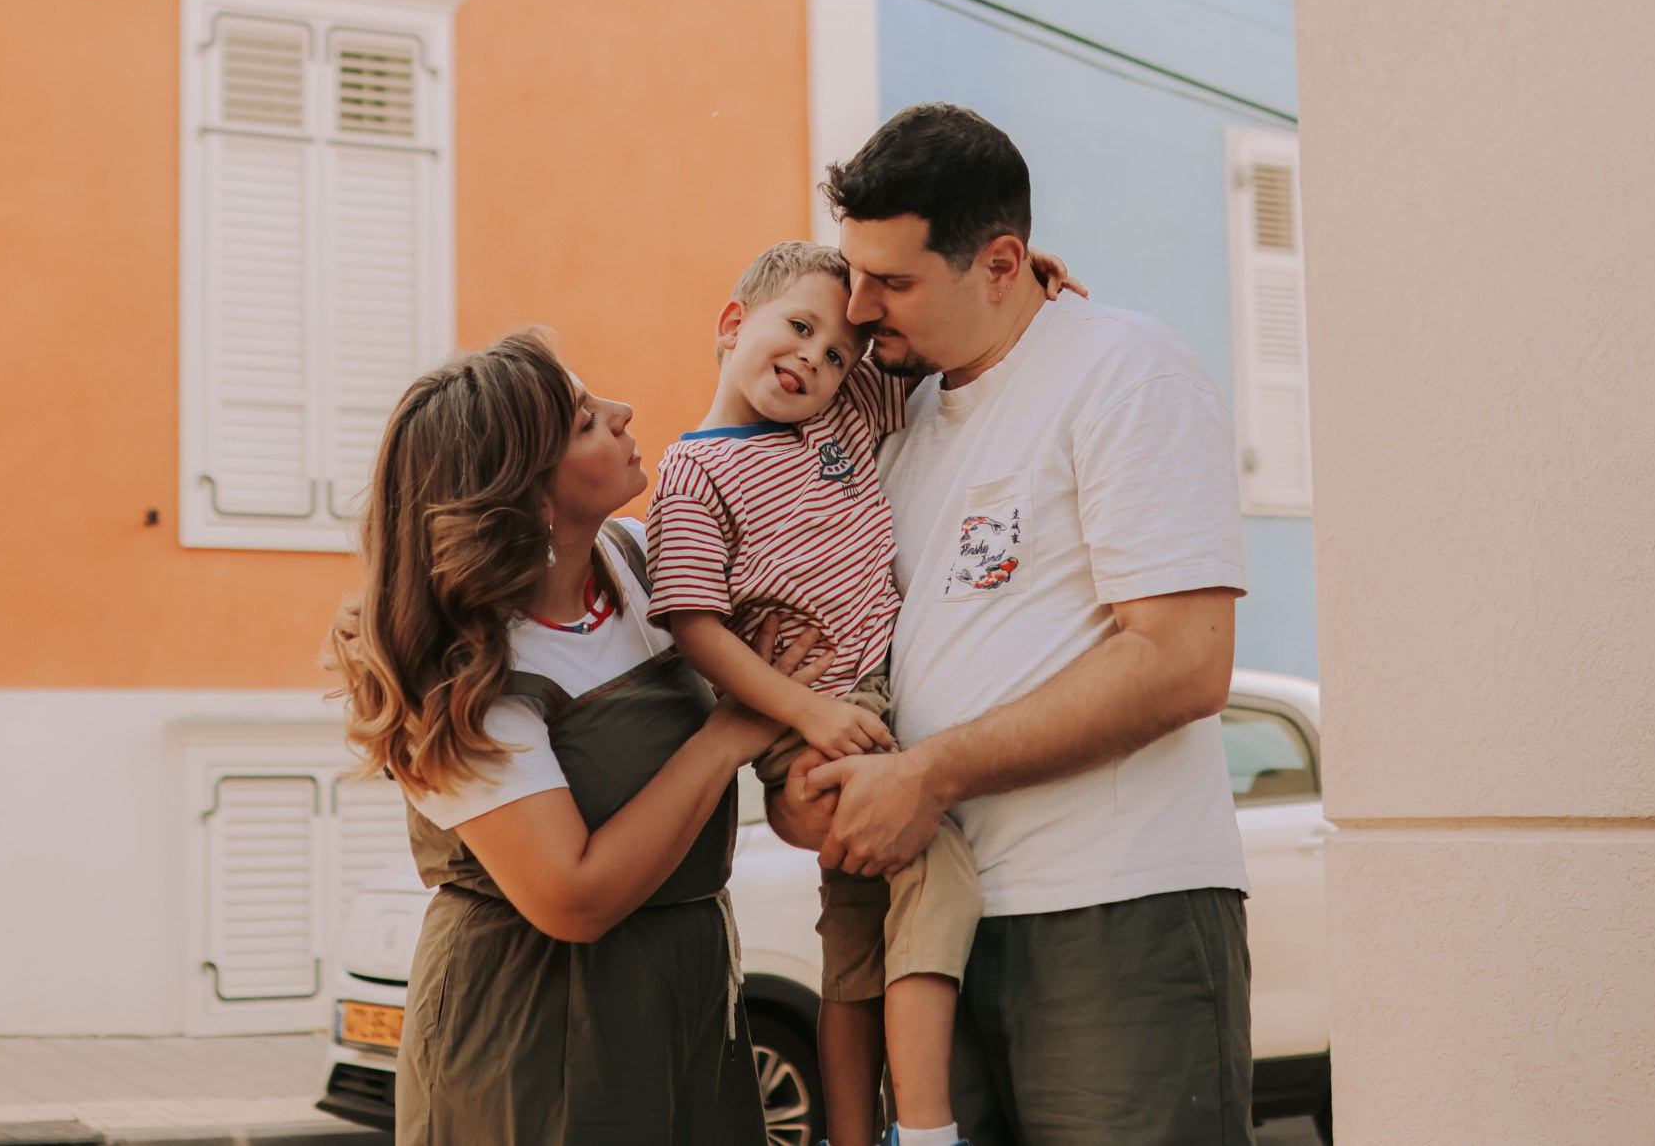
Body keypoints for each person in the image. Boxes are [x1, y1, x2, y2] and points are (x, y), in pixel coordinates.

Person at [773, 103, 1255, 1146]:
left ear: (1001, 265)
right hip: (929, 927)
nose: (857, 308)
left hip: (1115, 911)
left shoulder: (1127, 372)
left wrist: (928, 775)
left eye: (891, 283)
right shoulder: (886, 420)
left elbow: (1180, 661)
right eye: (854, 273)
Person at [325, 329, 818, 1146]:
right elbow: (573, 896)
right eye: (587, 421)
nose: (624, 414)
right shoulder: (462, 669)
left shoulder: (636, 564)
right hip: (535, 1032)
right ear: (532, 499)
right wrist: (729, 735)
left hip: (688, 1001)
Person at [648, 241, 1083, 1146]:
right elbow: (692, 623)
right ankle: (924, 1130)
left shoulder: (843, 420)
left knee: (852, 947)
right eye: (799, 329)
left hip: (870, 705)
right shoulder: (691, 472)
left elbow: (931, 345)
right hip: (805, 719)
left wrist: (1013, 277)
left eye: (839, 351)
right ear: (733, 325)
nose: (818, 357)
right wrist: (803, 712)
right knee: (936, 867)